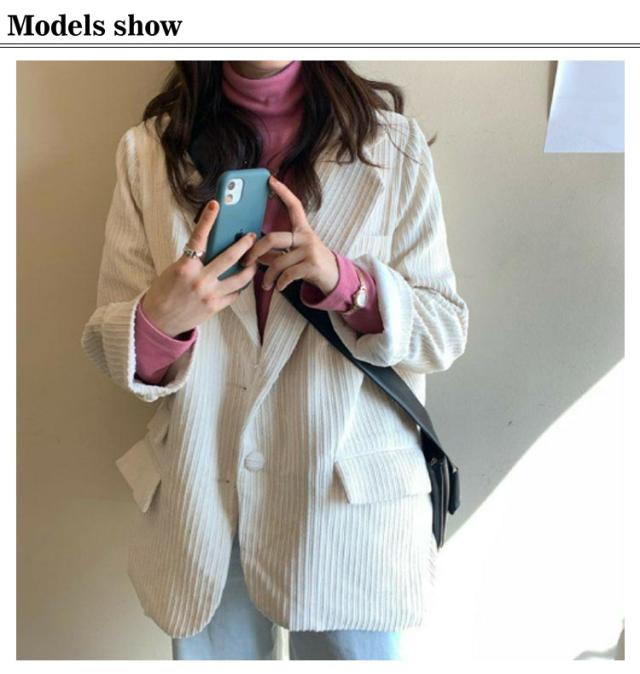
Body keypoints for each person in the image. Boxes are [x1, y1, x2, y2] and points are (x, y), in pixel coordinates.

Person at [81, 60, 469, 660]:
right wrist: (160, 320)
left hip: (346, 512)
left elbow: (444, 331)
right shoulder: (149, 154)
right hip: (205, 509)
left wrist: (348, 285)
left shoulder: (391, 146)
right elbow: (116, 353)